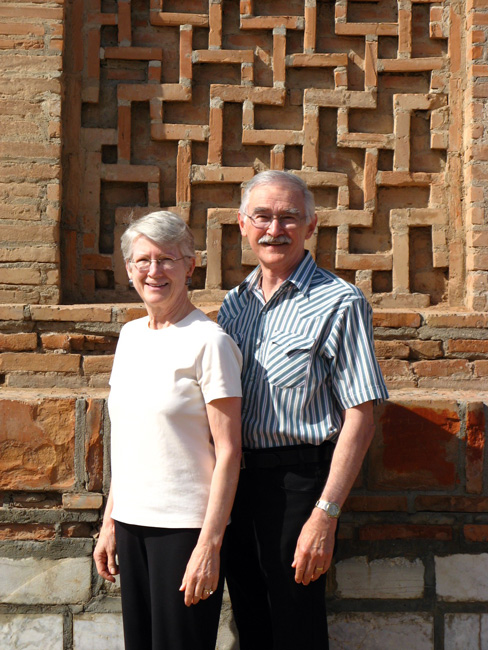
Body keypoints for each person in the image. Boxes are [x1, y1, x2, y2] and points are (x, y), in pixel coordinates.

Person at [218, 170, 389, 650]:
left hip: (298, 484)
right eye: (264, 216)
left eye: (289, 217)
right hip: (236, 485)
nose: (276, 229)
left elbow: (361, 414)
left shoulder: (340, 301)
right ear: (242, 225)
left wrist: (325, 513)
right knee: (249, 618)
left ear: (311, 226)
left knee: (295, 626)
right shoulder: (234, 304)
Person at [93, 211, 242, 650]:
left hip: (184, 531)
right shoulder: (130, 335)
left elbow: (230, 452)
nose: (153, 271)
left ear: (189, 266)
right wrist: (109, 521)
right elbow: (128, 440)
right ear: (129, 269)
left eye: (166, 260)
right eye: (143, 260)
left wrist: (209, 545)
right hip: (131, 523)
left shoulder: (209, 342)